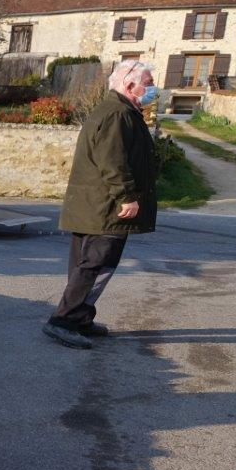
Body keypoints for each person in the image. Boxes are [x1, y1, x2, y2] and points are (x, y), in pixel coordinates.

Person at [42, 59, 157, 349]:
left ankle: (79, 317)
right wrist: (127, 196)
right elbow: (112, 160)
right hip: (105, 207)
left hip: (96, 206)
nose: (153, 89)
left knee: (86, 264)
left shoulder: (119, 110)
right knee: (96, 265)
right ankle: (64, 321)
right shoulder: (118, 114)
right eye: (149, 83)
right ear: (130, 86)